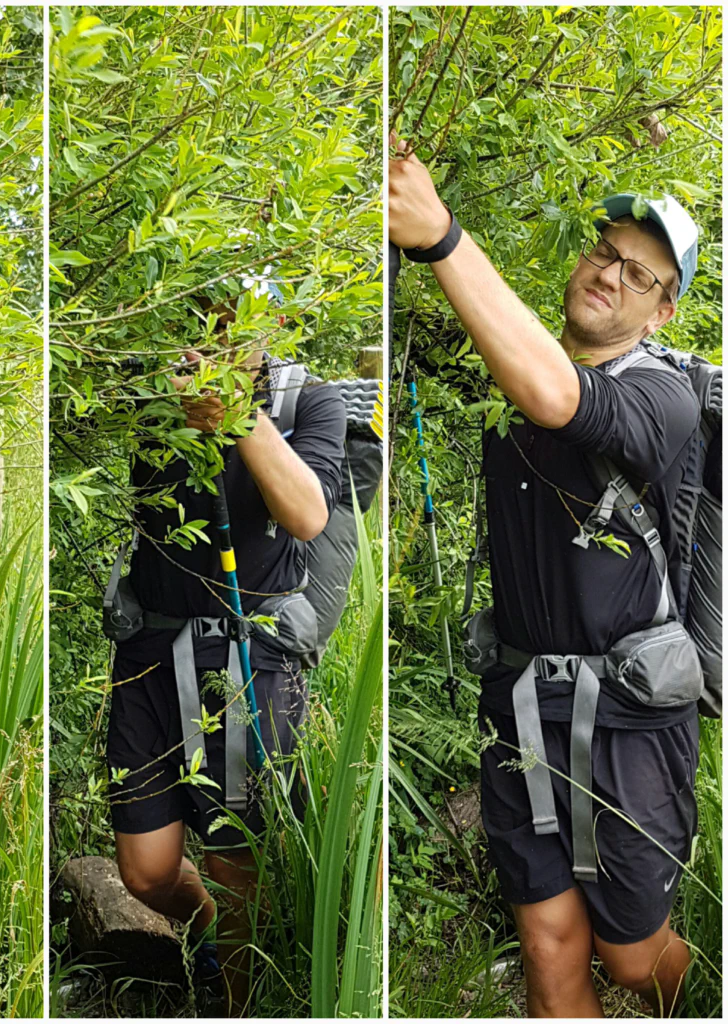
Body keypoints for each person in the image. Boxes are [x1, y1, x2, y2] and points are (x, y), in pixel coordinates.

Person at [389, 133, 703, 1018]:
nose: (608, 274)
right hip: (520, 706)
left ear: (661, 313)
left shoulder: (664, 396)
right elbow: (523, 370)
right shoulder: (513, 366)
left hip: (630, 721)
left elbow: (562, 398)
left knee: (633, 960)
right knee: (549, 943)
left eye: (638, 275)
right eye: (604, 250)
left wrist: (442, 234)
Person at [105, 291, 346, 1014]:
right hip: (150, 652)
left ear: (277, 320)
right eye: (207, 308)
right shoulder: (145, 388)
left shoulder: (309, 400)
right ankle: (208, 933)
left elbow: (307, 514)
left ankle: (235, 1001)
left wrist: (238, 415)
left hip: (248, 658)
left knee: (234, 858)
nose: (220, 328)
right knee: (145, 871)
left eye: (240, 314)